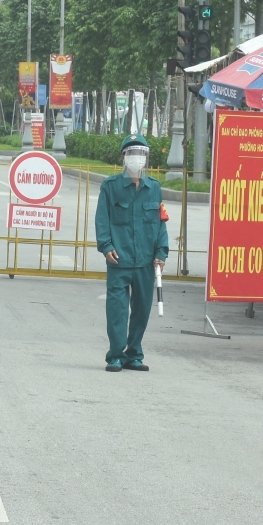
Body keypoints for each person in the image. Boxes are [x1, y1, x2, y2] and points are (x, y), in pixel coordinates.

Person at [95, 134, 169, 372]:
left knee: (142, 309)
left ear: (146, 158)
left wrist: (162, 252)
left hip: (146, 261)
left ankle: (134, 353)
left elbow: (161, 223)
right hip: (119, 259)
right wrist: (106, 246)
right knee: (117, 310)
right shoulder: (111, 186)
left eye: (141, 154)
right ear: (124, 158)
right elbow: (102, 220)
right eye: (131, 154)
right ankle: (116, 354)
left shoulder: (154, 188)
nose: (136, 158)